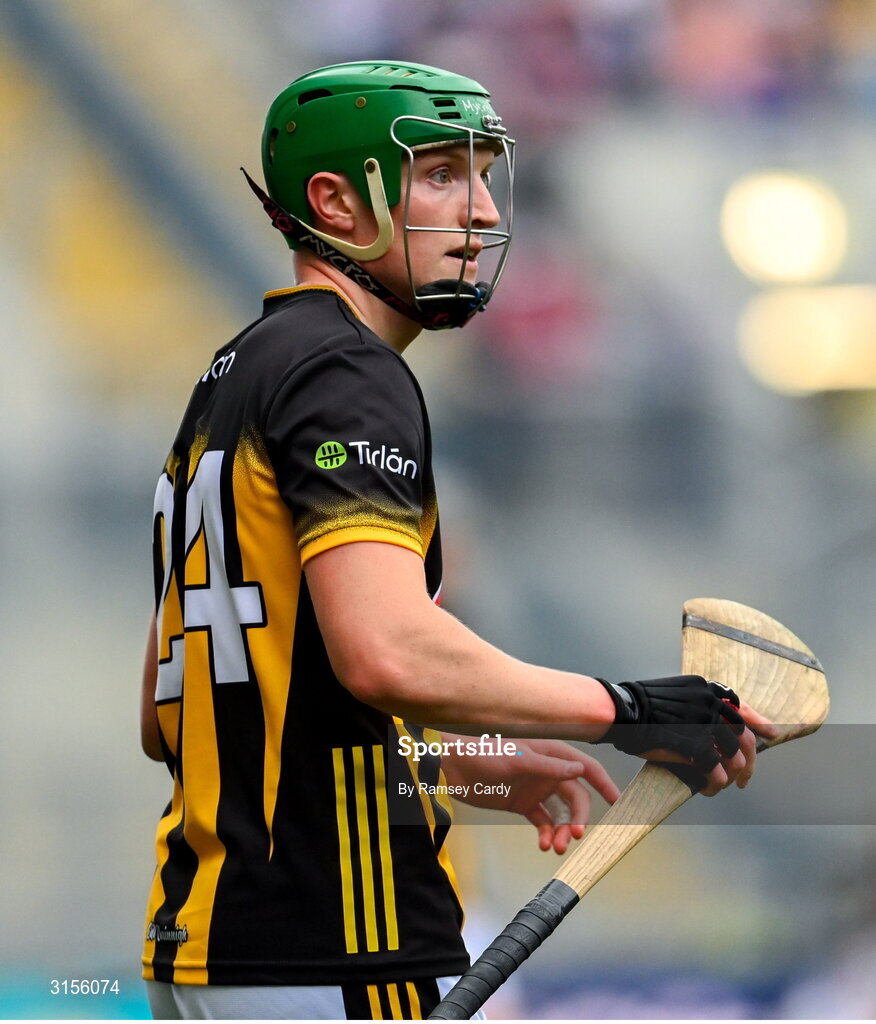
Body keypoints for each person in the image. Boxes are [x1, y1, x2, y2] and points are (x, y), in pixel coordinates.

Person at [139, 60, 777, 1021]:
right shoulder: (346, 374)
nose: (480, 209)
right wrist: (632, 707)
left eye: (483, 175)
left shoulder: (230, 381)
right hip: (338, 948)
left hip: (210, 953)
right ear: (336, 202)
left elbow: (176, 716)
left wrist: (461, 763)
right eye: (441, 175)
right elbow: (385, 650)